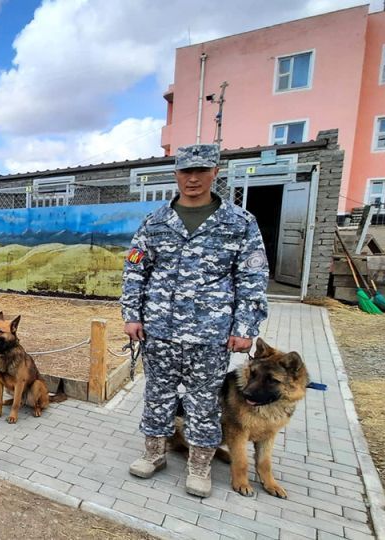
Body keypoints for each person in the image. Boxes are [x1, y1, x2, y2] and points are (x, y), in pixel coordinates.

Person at [121, 144, 269, 498]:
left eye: (201, 171)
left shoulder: (239, 223)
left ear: (214, 173)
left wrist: (245, 328)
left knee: (204, 401)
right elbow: (135, 270)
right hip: (160, 329)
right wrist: (132, 315)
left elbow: (252, 278)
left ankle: (199, 467)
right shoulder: (155, 222)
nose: (192, 178)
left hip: (210, 333)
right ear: (176, 175)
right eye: (185, 171)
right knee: (157, 394)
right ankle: (154, 454)